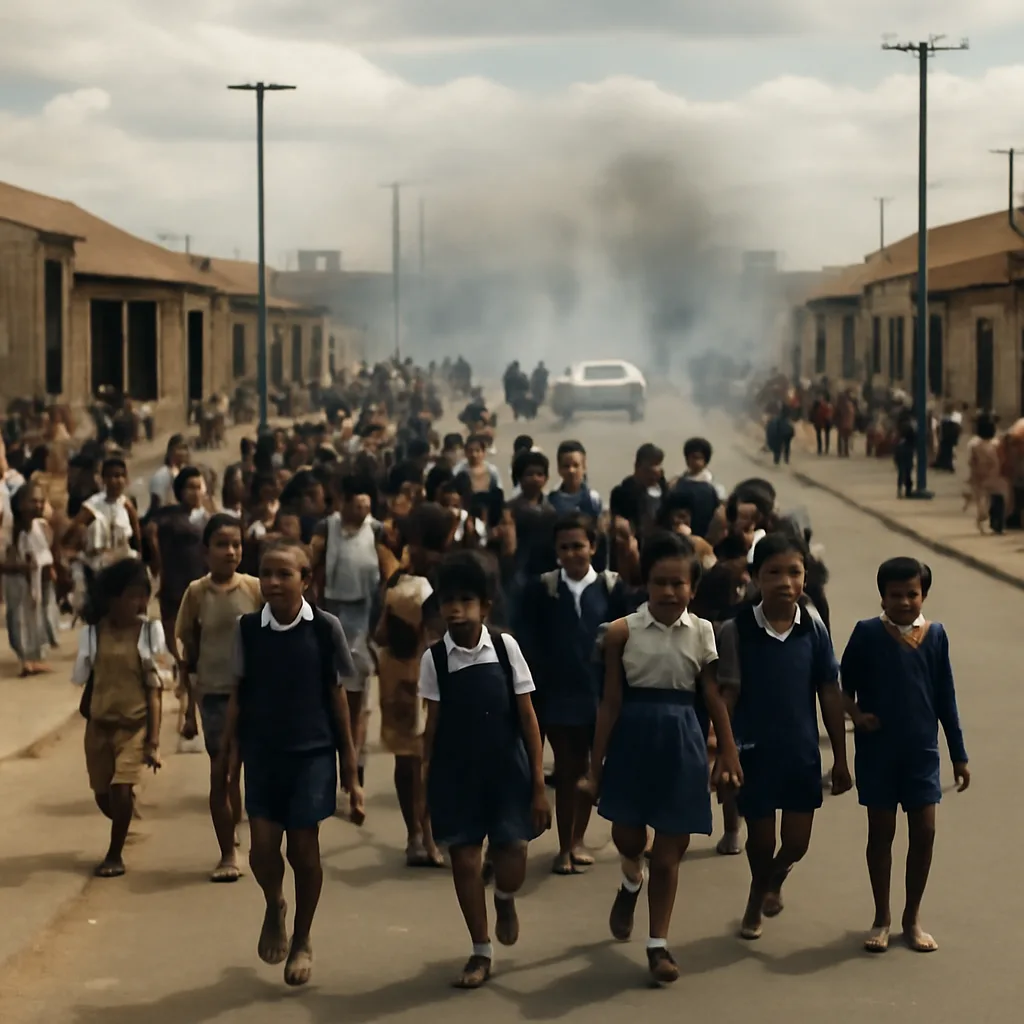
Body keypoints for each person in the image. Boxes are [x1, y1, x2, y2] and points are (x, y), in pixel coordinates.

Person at [580, 532, 741, 984]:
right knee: (629, 838)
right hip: (633, 738)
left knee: (670, 852)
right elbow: (609, 702)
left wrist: (726, 750)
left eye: (679, 584)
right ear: (644, 584)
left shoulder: (705, 631)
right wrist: (595, 769)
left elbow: (711, 695)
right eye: (660, 583)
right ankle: (631, 880)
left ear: (693, 586)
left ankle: (658, 946)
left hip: (683, 743)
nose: (669, 593)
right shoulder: (621, 632)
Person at [216, 538, 362, 987]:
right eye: (267, 573)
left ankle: (302, 938)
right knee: (262, 849)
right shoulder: (247, 629)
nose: (274, 583)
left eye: (285, 574)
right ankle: (275, 903)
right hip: (262, 753)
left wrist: (350, 774)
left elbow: (339, 699)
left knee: (304, 851)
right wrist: (227, 758)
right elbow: (238, 694)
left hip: (312, 754)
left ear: (306, 579)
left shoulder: (324, 628)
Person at [420, 550, 550, 989]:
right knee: (464, 861)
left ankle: (506, 897)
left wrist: (537, 782)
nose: (455, 609)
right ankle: (480, 950)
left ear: (484, 607)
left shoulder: (504, 646)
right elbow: (431, 727)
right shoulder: (434, 660)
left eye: (465, 600)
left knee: (512, 860)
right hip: (457, 776)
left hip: (507, 772)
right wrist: (424, 788)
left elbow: (528, 717)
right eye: (447, 601)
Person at [715, 532, 851, 941]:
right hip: (753, 753)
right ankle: (758, 893)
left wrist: (841, 758)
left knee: (796, 842)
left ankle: (773, 879)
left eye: (794, 572)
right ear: (756, 577)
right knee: (760, 840)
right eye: (773, 572)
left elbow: (828, 690)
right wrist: (724, 752)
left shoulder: (813, 626)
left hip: (800, 753)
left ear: (805, 578)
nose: (785, 582)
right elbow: (727, 695)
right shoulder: (735, 630)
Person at [840, 558, 970, 954]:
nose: (904, 602)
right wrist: (857, 715)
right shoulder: (866, 633)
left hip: (921, 753)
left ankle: (912, 917)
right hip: (878, 752)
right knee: (881, 832)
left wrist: (959, 754)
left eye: (912, 594)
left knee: (924, 833)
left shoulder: (935, 635)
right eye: (895, 595)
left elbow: (945, 697)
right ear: (882, 596)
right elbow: (841, 687)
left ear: (924, 595)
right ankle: (882, 916)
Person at [520, 514, 630, 875]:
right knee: (568, 771)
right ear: (556, 551)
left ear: (593, 548)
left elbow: (625, 641)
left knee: (589, 770)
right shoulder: (544, 590)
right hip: (557, 697)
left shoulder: (612, 589)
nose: (572, 553)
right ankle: (566, 846)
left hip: (600, 696)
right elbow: (529, 643)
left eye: (578, 546)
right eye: (564, 547)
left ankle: (579, 838)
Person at [175, 514, 263, 882]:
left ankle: (253, 840)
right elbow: (189, 652)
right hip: (214, 695)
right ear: (205, 551)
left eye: (236, 545)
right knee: (221, 773)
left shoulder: (256, 588)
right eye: (222, 545)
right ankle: (227, 852)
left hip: (255, 695)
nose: (230, 552)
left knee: (250, 774)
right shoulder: (196, 593)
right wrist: (188, 710)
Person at [72, 558, 165, 877]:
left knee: (121, 790)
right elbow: (90, 677)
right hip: (99, 727)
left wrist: (153, 741)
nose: (139, 602)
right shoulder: (94, 634)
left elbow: (154, 690)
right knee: (102, 796)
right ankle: (124, 821)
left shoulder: (148, 633)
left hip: (133, 727)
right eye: (132, 595)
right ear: (112, 598)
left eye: (144, 595)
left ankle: (115, 854)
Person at [375, 502, 451, 868]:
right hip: (431, 676)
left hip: (400, 676)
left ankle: (416, 836)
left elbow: (381, 633)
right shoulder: (439, 579)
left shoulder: (400, 580)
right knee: (429, 760)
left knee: (409, 761)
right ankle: (430, 835)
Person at [311, 473, 383, 790]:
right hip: (331, 610)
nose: (363, 511)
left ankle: (355, 763)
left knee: (358, 693)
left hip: (363, 613)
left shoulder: (377, 530)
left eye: (367, 506)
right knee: (328, 687)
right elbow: (312, 564)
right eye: (358, 505)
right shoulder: (328, 527)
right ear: (344, 504)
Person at [5, 482, 60, 675]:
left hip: (36, 579)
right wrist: (22, 568)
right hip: (16, 580)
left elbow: (45, 553)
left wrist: (50, 570)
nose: (38, 505)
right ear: (20, 504)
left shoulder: (41, 527)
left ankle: (35, 657)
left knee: (36, 616)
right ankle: (26, 659)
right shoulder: (10, 529)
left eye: (40, 501)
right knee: (20, 616)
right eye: (33, 501)